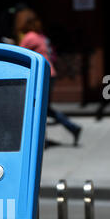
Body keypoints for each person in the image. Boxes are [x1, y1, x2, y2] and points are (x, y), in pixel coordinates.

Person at [15, 9, 82, 146]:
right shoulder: (41, 36)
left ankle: (40, 140)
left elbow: (18, 54)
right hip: (50, 73)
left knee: (37, 107)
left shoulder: (29, 37)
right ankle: (71, 128)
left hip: (40, 76)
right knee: (43, 107)